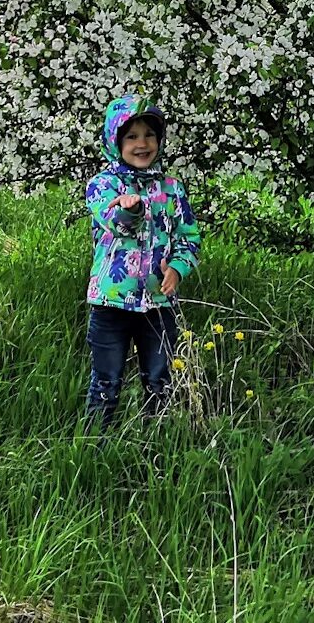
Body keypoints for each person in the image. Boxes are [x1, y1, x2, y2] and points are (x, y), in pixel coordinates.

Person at [83, 93, 203, 421]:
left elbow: (189, 238)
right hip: (111, 302)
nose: (142, 143)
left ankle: (157, 445)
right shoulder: (102, 185)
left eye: (150, 135)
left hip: (158, 304)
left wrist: (178, 269)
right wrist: (130, 208)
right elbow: (115, 223)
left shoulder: (172, 189)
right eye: (132, 136)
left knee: (160, 381)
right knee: (106, 382)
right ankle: (95, 445)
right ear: (115, 140)